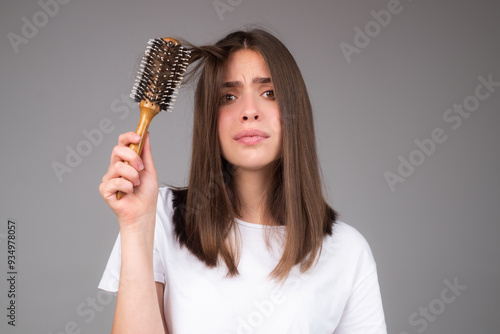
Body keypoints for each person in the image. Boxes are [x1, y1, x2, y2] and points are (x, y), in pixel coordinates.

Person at [98, 28, 387, 334]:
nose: (249, 111)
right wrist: (135, 226)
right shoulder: (159, 217)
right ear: (210, 117)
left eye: (269, 93)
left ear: (294, 110)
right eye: (229, 96)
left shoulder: (347, 250)